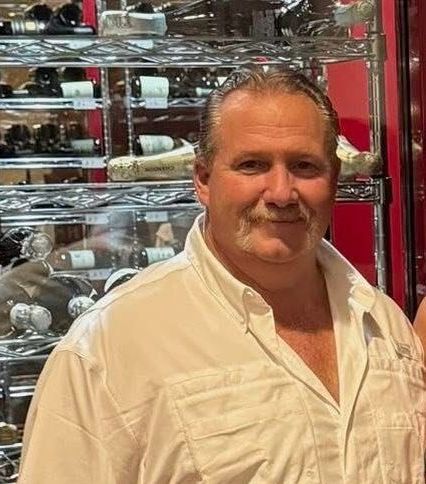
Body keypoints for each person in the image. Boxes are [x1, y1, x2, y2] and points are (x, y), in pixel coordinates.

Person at [18, 65, 425, 484]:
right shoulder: (109, 348)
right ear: (203, 179)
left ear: (334, 178)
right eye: (252, 165)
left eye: (305, 166)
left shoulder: (384, 325)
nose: (281, 193)